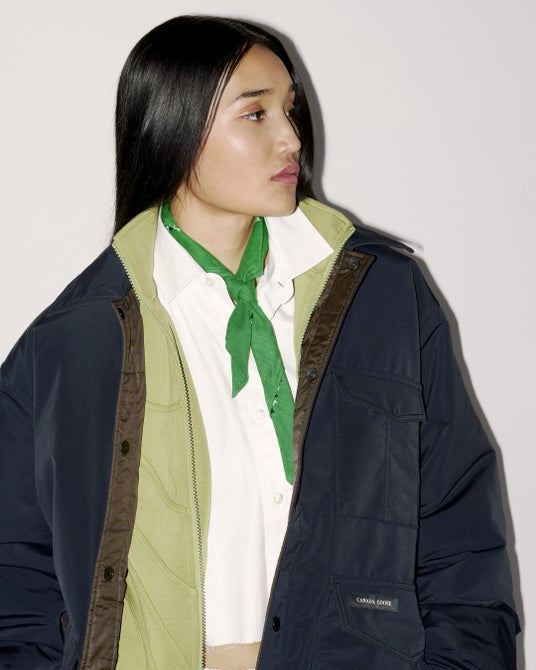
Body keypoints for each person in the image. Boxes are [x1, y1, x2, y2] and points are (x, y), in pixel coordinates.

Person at [0, 15, 519, 670]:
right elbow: (17, 580)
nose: (291, 139)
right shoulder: (76, 341)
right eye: (255, 115)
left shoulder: (383, 296)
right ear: (172, 127)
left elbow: (459, 535)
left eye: (289, 110)